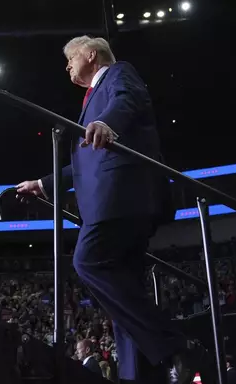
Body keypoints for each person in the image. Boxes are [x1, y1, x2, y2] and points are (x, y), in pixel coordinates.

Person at [16, 35, 211, 384]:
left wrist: (108, 123)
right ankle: (138, 376)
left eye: (71, 58)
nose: (67, 66)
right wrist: (44, 184)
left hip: (121, 198)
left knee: (87, 261)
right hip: (115, 201)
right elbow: (81, 164)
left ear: (91, 55)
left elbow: (128, 99)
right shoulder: (91, 103)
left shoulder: (118, 74)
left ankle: (177, 345)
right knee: (125, 296)